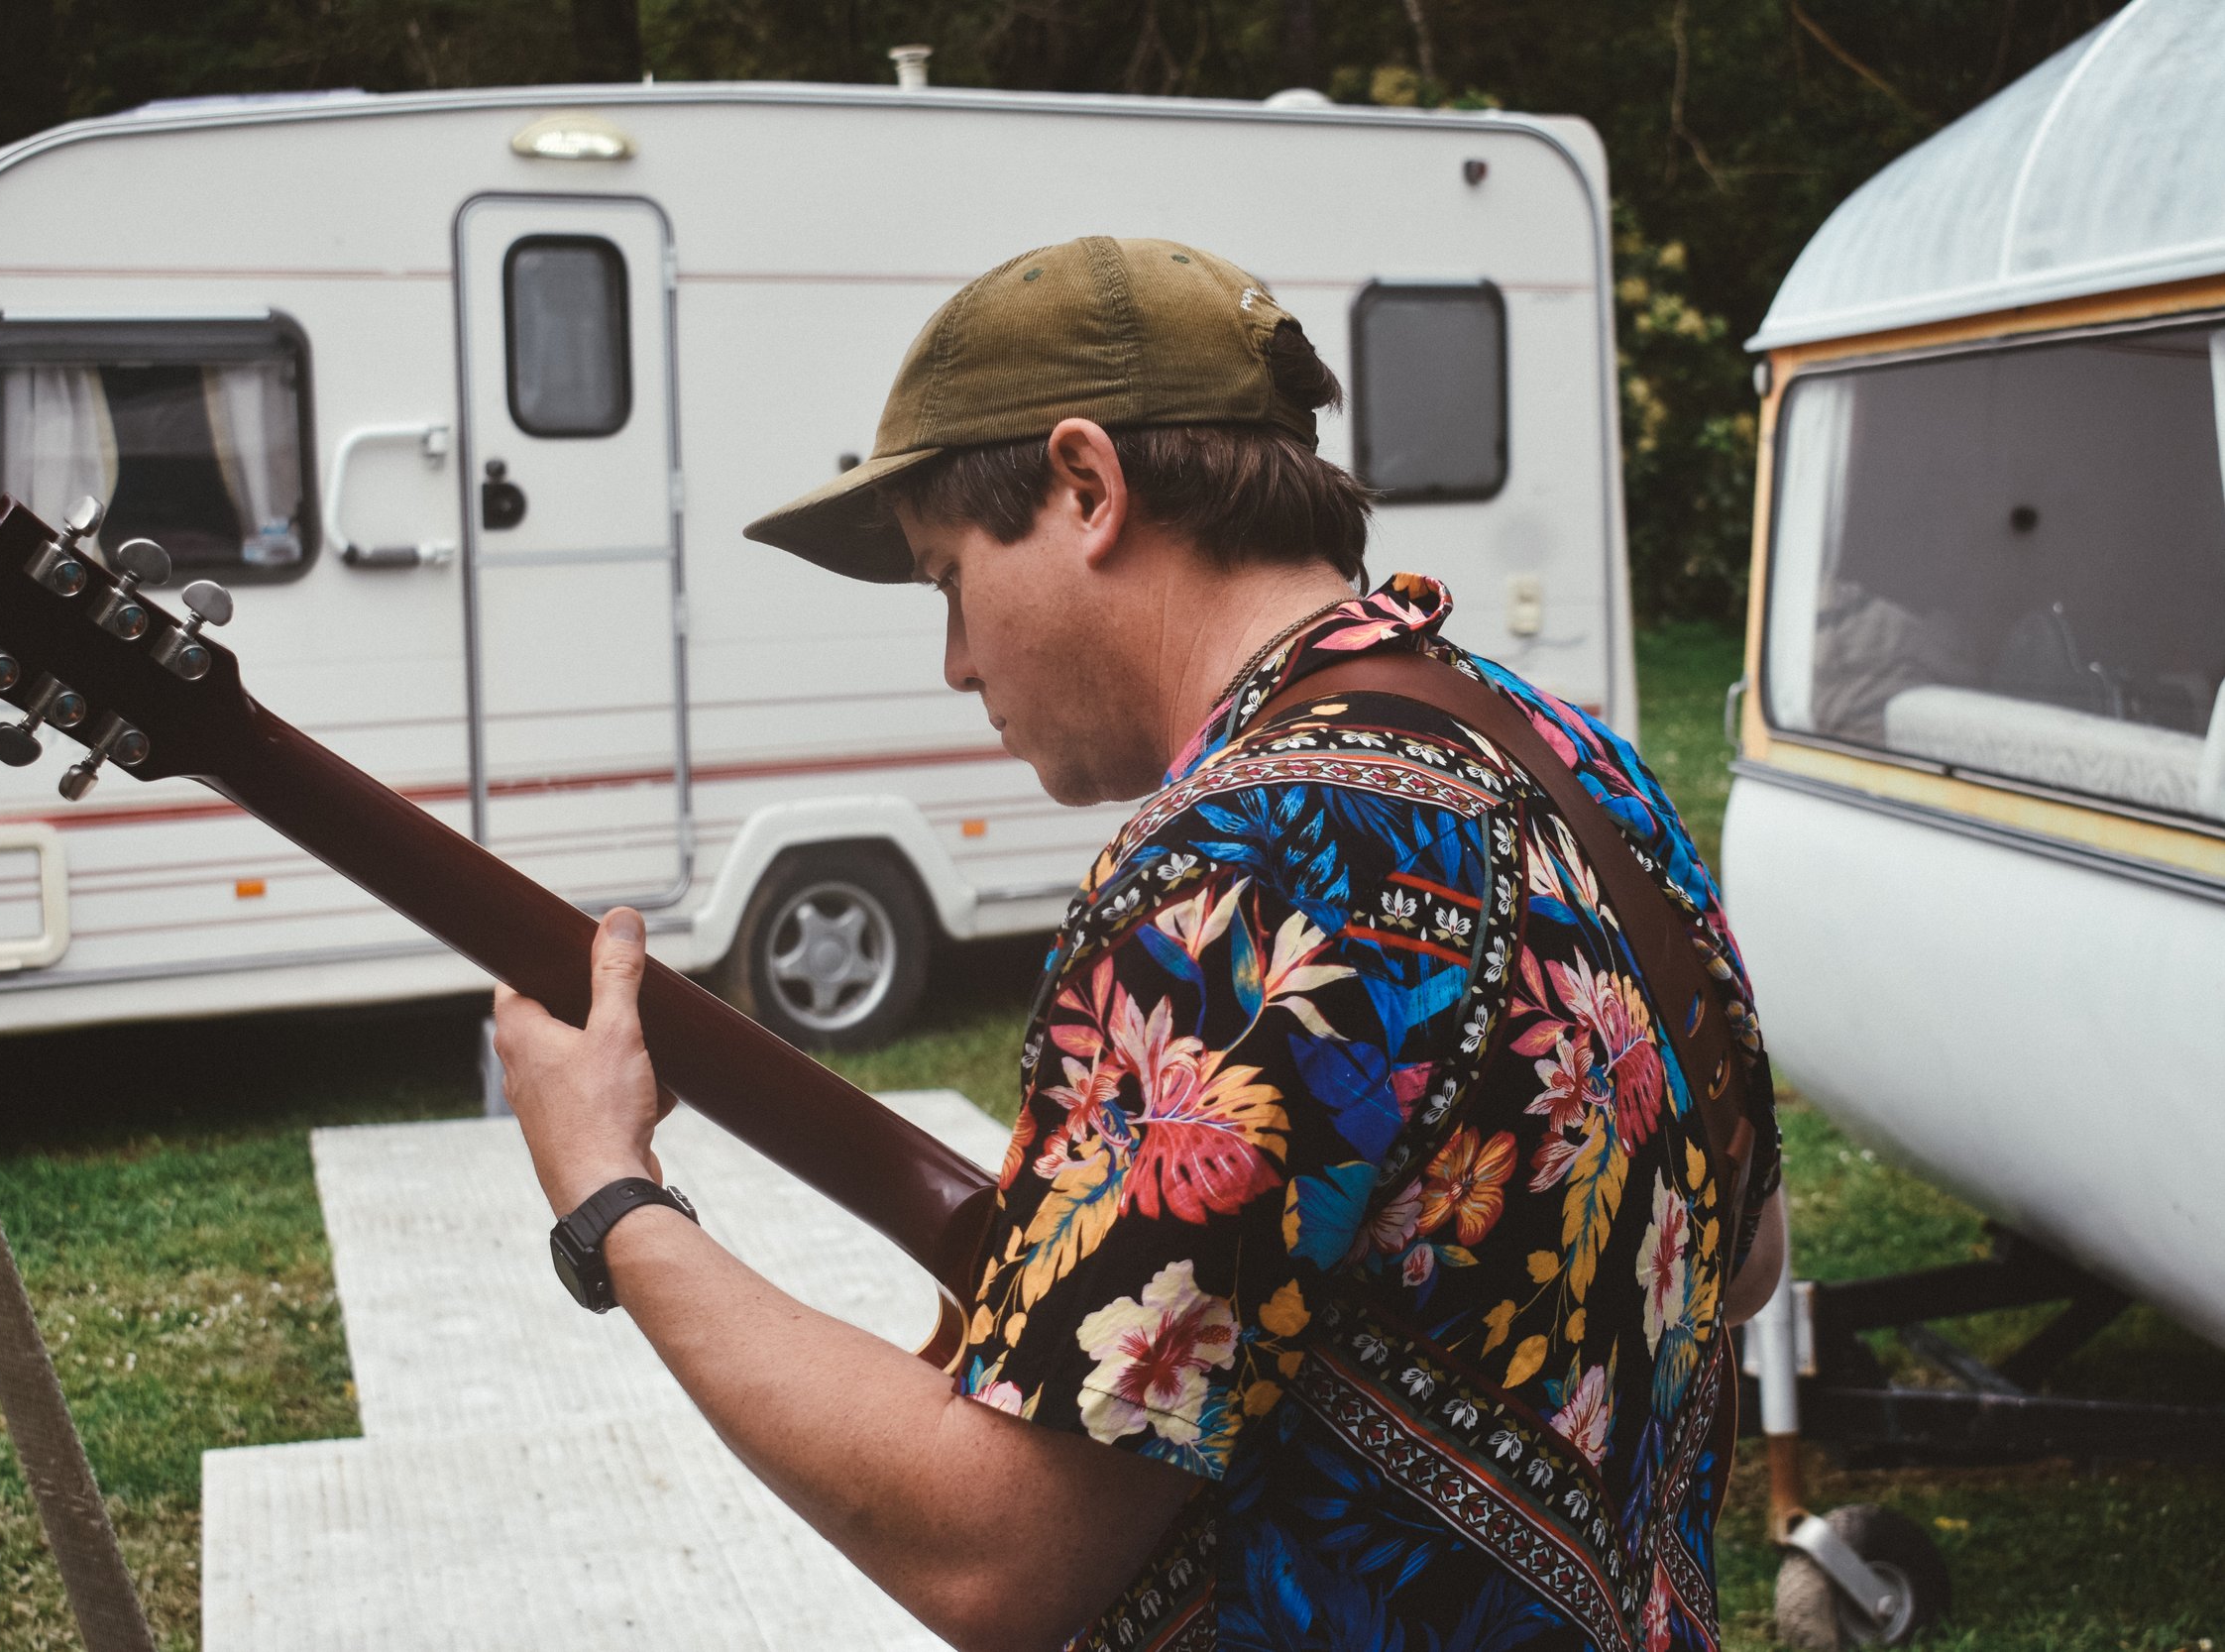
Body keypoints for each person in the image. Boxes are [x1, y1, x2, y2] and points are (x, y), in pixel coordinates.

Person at [494, 236, 1786, 1652]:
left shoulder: (1240, 868)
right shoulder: (1573, 756)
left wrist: (610, 1194)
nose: (957, 663)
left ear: (1088, 489)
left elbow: (993, 1554)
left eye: (947, 579)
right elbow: (1753, 1248)